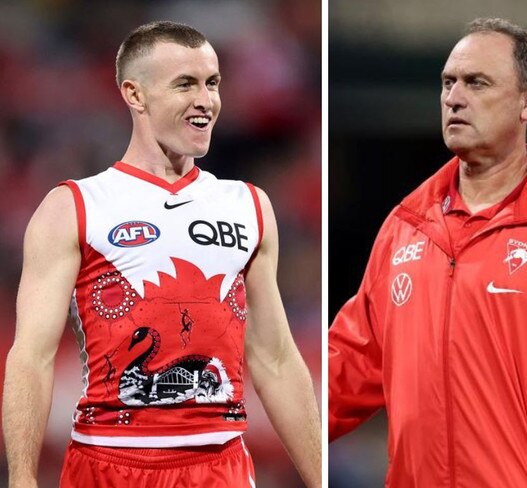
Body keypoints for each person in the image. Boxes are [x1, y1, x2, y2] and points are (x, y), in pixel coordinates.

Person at [328, 17, 527, 487]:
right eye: (447, 83)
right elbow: (352, 363)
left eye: (476, 82)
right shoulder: (406, 224)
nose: (454, 97)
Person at [3, 21, 321, 488]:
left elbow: (274, 357)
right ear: (135, 95)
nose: (206, 100)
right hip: (107, 461)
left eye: (212, 83)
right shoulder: (75, 207)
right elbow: (31, 356)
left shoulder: (249, 206)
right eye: (185, 84)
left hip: (221, 465)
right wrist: (22, 478)